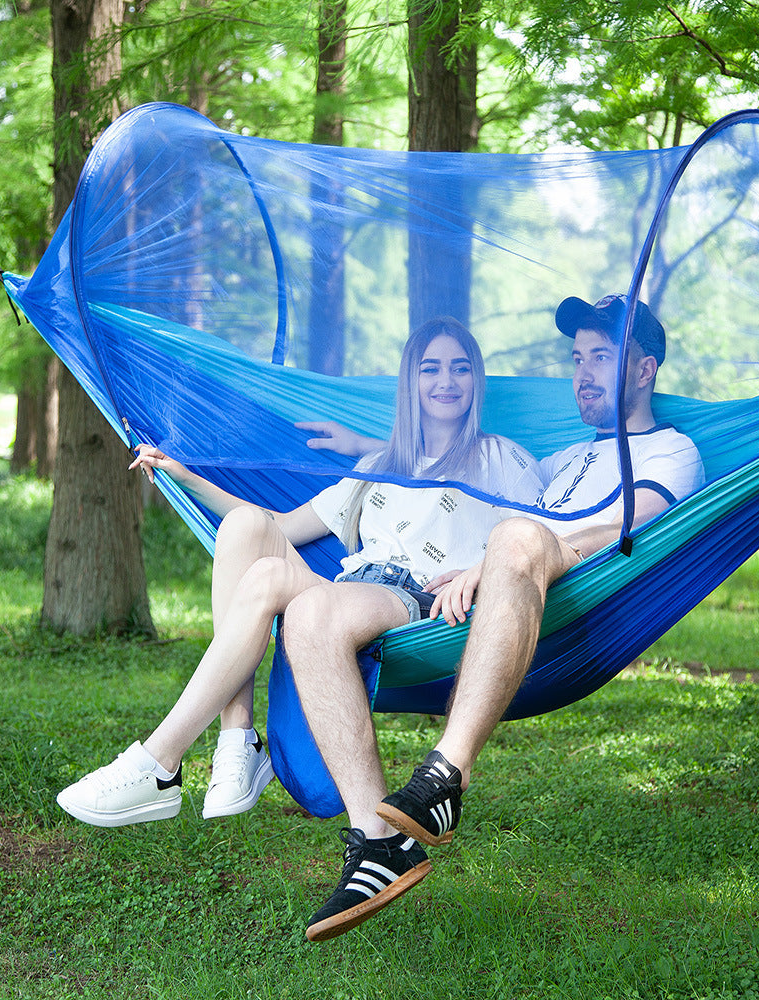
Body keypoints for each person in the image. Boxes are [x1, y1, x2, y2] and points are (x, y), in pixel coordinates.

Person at [55, 318, 543, 924]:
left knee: (294, 593)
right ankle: (236, 740)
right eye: (430, 368)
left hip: (415, 598)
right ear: (409, 382)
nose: (446, 380)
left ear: (478, 380)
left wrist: (477, 568)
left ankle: (157, 764)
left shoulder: (503, 459)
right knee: (245, 534)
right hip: (350, 586)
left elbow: (537, 538)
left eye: (460, 367)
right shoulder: (379, 464)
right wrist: (182, 475)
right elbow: (280, 526)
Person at [285, 293, 704, 942]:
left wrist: (514, 551)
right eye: (576, 358)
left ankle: (445, 774)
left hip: (571, 605)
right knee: (310, 614)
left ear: (645, 370)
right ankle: (376, 845)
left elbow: (622, 526)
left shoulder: (671, 452)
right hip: (484, 602)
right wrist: (375, 447)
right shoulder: (562, 462)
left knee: (513, 536)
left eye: (603, 356)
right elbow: (466, 470)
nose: (583, 373)